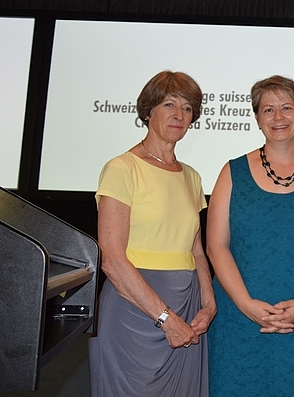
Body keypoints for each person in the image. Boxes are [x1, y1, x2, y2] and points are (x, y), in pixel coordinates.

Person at [90, 71, 215, 397]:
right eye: (169, 104)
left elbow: (197, 251)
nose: (179, 115)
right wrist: (164, 318)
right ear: (148, 111)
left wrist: (209, 304)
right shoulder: (122, 168)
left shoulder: (192, 176)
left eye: (187, 108)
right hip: (135, 310)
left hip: (186, 307)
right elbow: (113, 261)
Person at [206, 75, 294, 396]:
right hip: (239, 319)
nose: (279, 118)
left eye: (287, 108)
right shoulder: (231, 172)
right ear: (257, 117)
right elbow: (216, 245)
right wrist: (246, 304)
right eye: (268, 110)